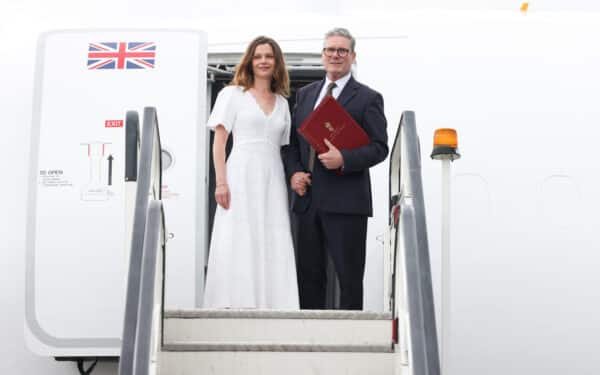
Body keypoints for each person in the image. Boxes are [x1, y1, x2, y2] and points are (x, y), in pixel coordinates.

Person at [284, 28, 388, 310]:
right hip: (307, 200)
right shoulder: (305, 95)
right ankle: (309, 336)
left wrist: (344, 159)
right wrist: (294, 173)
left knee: (349, 277)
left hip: (346, 202)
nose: (335, 55)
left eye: (342, 50)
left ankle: (352, 340)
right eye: (330, 49)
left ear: (353, 56)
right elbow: (292, 143)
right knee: (309, 275)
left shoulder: (368, 98)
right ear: (322, 54)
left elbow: (380, 147)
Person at [203, 36, 299, 309]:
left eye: (269, 56)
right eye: (258, 56)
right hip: (240, 172)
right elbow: (219, 142)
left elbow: (284, 147)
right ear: (250, 61)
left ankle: (274, 303)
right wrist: (221, 182)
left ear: (276, 62)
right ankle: (234, 302)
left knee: (272, 234)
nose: (263, 61)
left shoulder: (282, 102)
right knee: (239, 234)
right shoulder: (232, 94)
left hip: (272, 175)